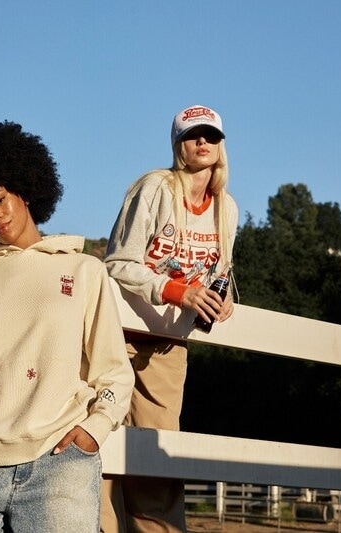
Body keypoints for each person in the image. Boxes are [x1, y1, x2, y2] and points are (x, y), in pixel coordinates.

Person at [0, 117, 135, 532]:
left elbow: (114, 371)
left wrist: (95, 427)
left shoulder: (83, 270)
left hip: (60, 459)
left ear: (25, 190)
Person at [101, 105, 238, 533]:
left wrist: (224, 298)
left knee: (157, 461)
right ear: (178, 145)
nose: (203, 142)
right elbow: (118, 264)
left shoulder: (227, 209)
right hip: (115, 336)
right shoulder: (155, 188)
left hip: (167, 346)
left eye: (211, 135)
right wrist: (180, 292)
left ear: (221, 146)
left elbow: (218, 274)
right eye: (193, 135)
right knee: (100, 452)